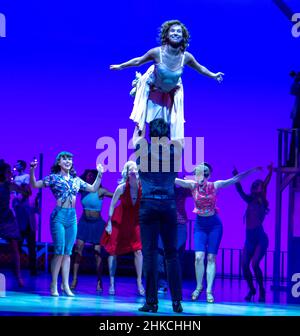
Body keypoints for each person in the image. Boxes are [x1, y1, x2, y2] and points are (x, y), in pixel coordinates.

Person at [110, 19, 224, 140]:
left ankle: (171, 148)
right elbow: (138, 61)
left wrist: (213, 75)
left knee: (169, 123)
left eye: (179, 31)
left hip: (170, 91)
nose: (175, 33)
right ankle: (138, 142)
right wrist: (121, 66)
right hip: (152, 87)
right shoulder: (156, 52)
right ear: (167, 35)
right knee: (142, 118)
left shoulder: (186, 57)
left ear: (183, 36)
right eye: (172, 31)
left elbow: (200, 68)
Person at [175, 163, 262, 303]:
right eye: (199, 173)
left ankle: (209, 290)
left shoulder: (215, 185)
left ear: (208, 175)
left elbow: (235, 179)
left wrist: (252, 170)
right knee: (198, 257)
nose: (202, 175)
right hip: (200, 225)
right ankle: (198, 287)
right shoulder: (192, 185)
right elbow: (174, 180)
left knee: (210, 258)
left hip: (214, 225)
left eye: (205, 173)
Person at [30, 152, 104, 296]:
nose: (68, 161)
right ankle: (53, 284)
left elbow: (93, 188)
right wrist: (32, 170)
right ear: (59, 162)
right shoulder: (53, 178)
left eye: (70, 159)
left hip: (72, 217)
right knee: (59, 251)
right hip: (59, 216)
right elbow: (35, 185)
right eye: (64, 159)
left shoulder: (76, 180)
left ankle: (65, 285)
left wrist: (100, 173)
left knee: (68, 253)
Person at [133, 118, 183, 313]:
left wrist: (139, 122)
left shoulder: (143, 150)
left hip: (149, 205)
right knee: (171, 254)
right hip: (169, 205)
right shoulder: (176, 151)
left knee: (150, 254)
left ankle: (151, 302)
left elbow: (137, 136)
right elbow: (178, 134)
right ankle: (176, 301)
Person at [101, 161, 144, 296]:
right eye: (132, 170)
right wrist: (108, 223)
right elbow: (112, 205)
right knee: (113, 252)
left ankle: (139, 282)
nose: (135, 172)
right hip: (119, 221)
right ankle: (112, 283)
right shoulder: (121, 188)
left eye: (137, 170)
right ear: (127, 173)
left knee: (138, 251)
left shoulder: (143, 187)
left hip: (135, 222)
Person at [233, 163, 273, 302]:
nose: (259, 188)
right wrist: (235, 175)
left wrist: (270, 172)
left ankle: (261, 289)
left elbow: (266, 183)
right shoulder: (249, 199)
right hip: (249, 239)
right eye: (257, 186)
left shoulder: (262, 200)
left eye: (261, 187)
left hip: (261, 238)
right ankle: (252, 289)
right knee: (244, 266)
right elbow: (240, 190)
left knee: (254, 264)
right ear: (254, 188)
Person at [70, 169, 113, 292]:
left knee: (97, 252)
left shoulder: (100, 191)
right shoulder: (82, 190)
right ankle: (74, 279)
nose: (90, 178)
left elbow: (116, 195)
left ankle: (99, 281)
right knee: (78, 250)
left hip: (97, 225)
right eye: (88, 176)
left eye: (93, 176)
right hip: (84, 223)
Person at [157, 183, 192, 294]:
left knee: (175, 255)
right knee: (159, 256)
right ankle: (162, 284)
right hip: (163, 224)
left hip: (180, 225)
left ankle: (175, 284)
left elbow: (195, 189)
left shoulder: (183, 189)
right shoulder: (162, 187)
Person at [0, 159, 28, 287]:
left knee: (14, 246)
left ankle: (18, 275)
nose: (10, 174)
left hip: (6, 218)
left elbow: (26, 192)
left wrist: (25, 189)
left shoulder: (8, 185)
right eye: (8, 172)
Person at [12, 160, 37, 276]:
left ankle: (33, 269)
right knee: (18, 245)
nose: (16, 165)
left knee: (31, 245)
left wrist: (20, 198)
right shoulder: (14, 178)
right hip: (18, 213)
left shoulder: (26, 176)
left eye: (18, 164)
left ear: (22, 165)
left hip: (26, 216)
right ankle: (17, 269)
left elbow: (27, 190)